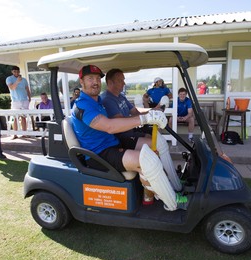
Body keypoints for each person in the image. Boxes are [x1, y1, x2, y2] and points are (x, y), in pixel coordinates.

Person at [72, 65, 187, 211]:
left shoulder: (97, 100)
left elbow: (129, 114)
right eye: (90, 79)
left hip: (112, 142)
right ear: (81, 82)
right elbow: (110, 126)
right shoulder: (83, 106)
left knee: (158, 144)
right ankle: (174, 203)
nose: (95, 82)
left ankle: (173, 185)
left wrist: (152, 112)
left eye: (97, 78)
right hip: (98, 154)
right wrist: (145, 119)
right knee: (149, 161)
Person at [6, 66, 31, 139]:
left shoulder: (24, 80)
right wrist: (17, 81)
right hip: (15, 100)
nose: (16, 73)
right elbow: (12, 88)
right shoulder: (9, 79)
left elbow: (27, 89)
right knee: (15, 117)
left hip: (24, 100)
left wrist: (29, 98)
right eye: (14, 71)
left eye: (17, 71)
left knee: (23, 117)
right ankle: (15, 134)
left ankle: (24, 133)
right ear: (12, 72)